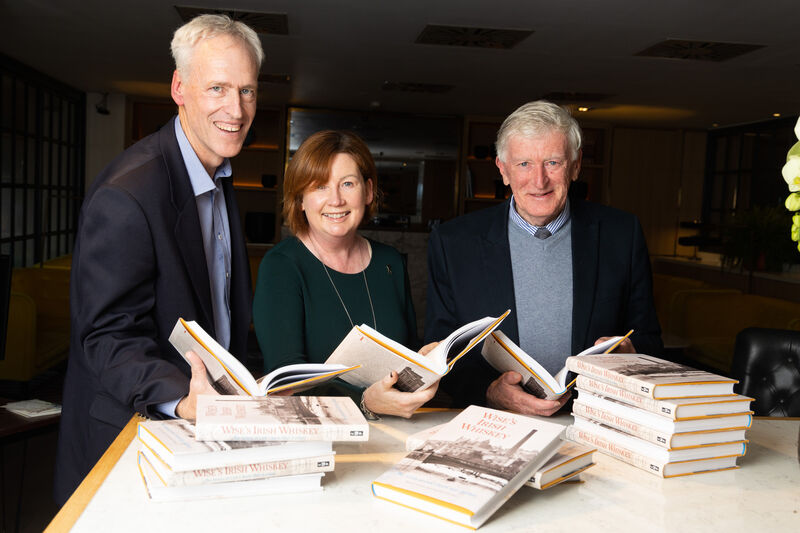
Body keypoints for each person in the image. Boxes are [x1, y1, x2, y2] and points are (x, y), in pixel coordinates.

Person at [54, 14, 263, 504]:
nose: (235, 109)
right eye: (217, 88)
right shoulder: (127, 193)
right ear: (179, 88)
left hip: (201, 432)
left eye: (247, 91)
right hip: (131, 437)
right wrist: (185, 398)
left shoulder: (220, 175)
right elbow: (106, 337)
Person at [425, 100, 663, 416]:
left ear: (575, 166)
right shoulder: (453, 242)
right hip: (491, 420)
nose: (539, 181)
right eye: (524, 164)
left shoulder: (622, 234)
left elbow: (650, 340)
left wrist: (631, 354)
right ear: (503, 169)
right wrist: (490, 392)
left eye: (553, 162)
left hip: (594, 419)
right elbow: (439, 350)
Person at [253, 130, 437, 419]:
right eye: (320, 186)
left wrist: (423, 364)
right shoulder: (281, 266)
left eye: (347, 184)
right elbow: (285, 384)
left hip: (396, 428)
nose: (336, 200)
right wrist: (366, 402)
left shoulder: (390, 262)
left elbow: (406, 353)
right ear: (300, 199)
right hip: (320, 432)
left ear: (368, 191)